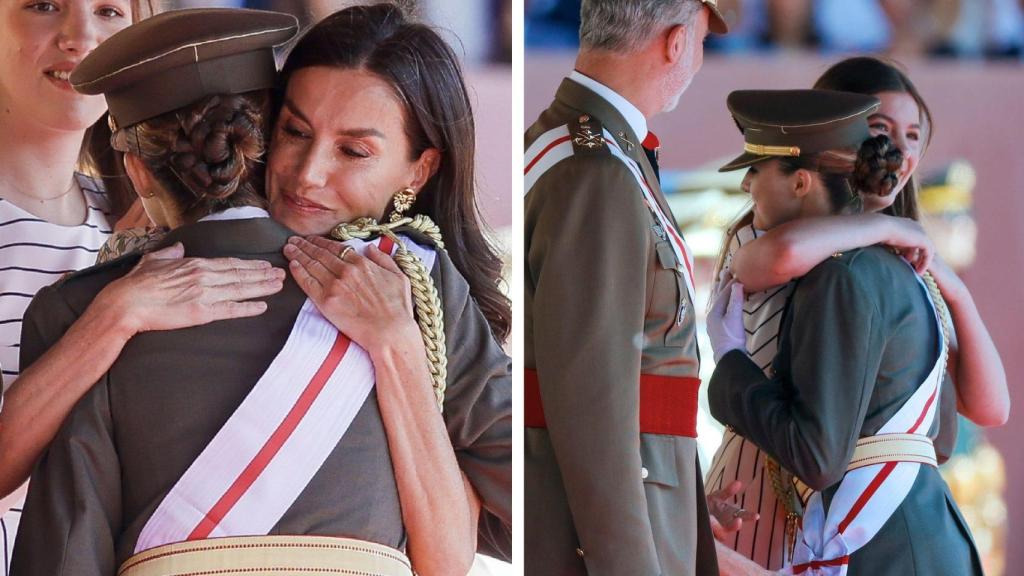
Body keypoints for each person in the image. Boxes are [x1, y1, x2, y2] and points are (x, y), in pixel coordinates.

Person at [12, 5, 510, 576]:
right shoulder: (419, 280)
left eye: (353, 150)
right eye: (295, 132)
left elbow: (72, 537)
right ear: (257, 139)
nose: (306, 176)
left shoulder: (414, 287)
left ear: (418, 170)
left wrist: (398, 347)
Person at [704, 56, 1008, 571]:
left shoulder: (889, 265)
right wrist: (885, 229)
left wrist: (956, 294)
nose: (898, 151)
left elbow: (987, 409)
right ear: (833, 135)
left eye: (913, 135)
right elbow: (770, 258)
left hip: (855, 519)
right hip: (766, 489)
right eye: (879, 130)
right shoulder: (776, 234)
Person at [524, 1, 729, 573]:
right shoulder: (596, 169)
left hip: (641, 502)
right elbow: (594, 407)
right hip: (609, 531)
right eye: (703, 42)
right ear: (675, 41)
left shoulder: (589, 149)